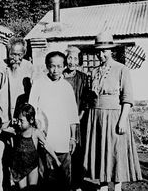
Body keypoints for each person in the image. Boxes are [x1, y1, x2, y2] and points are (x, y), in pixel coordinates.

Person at [83, 32, 142, 191]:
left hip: (115, 116)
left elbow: (127, 97)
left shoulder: (121, 69)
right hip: (96, 116)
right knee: (100, 151)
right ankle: (102, 185)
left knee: (115, 151)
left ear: (112, 51)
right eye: (98, 51)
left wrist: (122, 120)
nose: (101, 54)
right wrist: (91, 94)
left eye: (105, 51)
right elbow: (89, 98)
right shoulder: (94, 71)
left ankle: (116, 186)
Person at [29, 51, 79, 191]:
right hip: (45, 139)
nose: (55, 70)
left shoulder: (67, 87)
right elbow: (32, 110)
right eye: (52, 66)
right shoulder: (39, 84)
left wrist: (73, 138)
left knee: (64, 176)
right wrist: (37, 131)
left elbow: (72, 114)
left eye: (59, 66)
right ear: (46, 66)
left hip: (63, 138)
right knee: (45, 175)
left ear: (64, 66)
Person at [11, 103, 61, 191]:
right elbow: (2, 128)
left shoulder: (35, 132)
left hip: (32, 166)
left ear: (31, 120)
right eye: (18, 120)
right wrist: (11, 121)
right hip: (19, 166)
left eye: (21, 121)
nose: (19, 123)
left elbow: (47, 145)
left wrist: (56, 159)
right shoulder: (17, 130)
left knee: (32, 188)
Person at [0, 37, 34, 129]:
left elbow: (32, 92)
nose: (16, 58)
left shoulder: (29, 67)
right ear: (8, 52)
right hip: (3, 113)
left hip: (21, 114)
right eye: (13, 54)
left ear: (24, 53)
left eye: (19, 55)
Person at [63, 46, 89, 191]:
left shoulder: (83, 78)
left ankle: (77, 184)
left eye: (75, 58)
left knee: (77, 152)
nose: (72, 61)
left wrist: (78, 117)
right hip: (62, 120)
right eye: (69, 58)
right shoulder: (59, 76)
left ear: (79, 61)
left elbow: (86, 102)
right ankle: (65, 182)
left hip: (78, 121)